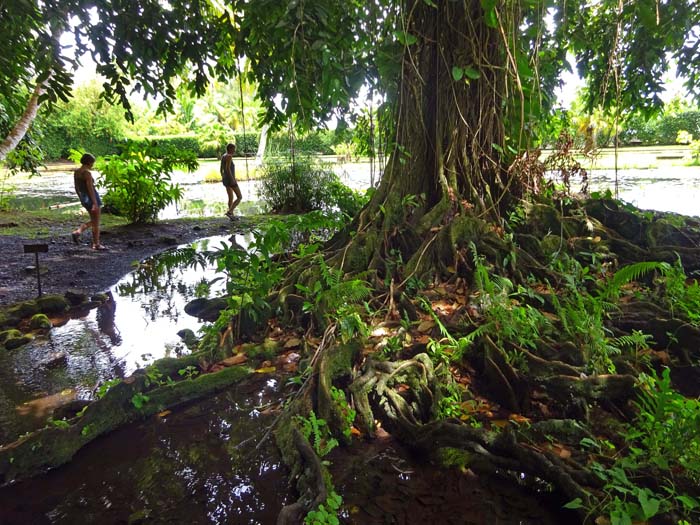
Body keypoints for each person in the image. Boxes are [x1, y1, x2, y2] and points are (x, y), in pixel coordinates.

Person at [71, 153, 107, 250]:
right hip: (92, 197)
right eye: (92, 163)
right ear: (89, 162)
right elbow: (90, 189)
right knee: (96, 222)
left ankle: (78, 232)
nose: (93, 165)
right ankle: (96, 244)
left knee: (94, 220)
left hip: (84, 198)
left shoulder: (77, 172)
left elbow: (76, 188)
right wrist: (95, 203)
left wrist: (81, 199)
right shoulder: (87, 173)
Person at [220, 142, 242, 219]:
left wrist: (222, 176)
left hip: (225, 179)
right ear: (230, 149)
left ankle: (231, 215)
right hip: (230, 179)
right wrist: (232, 179)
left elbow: (221, 169)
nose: (234, 150)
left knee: (230, 198)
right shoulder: (229, 156)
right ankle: (229, 212)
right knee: (239, 197)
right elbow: (227, 168)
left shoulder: (223, 156)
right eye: (233, 149)